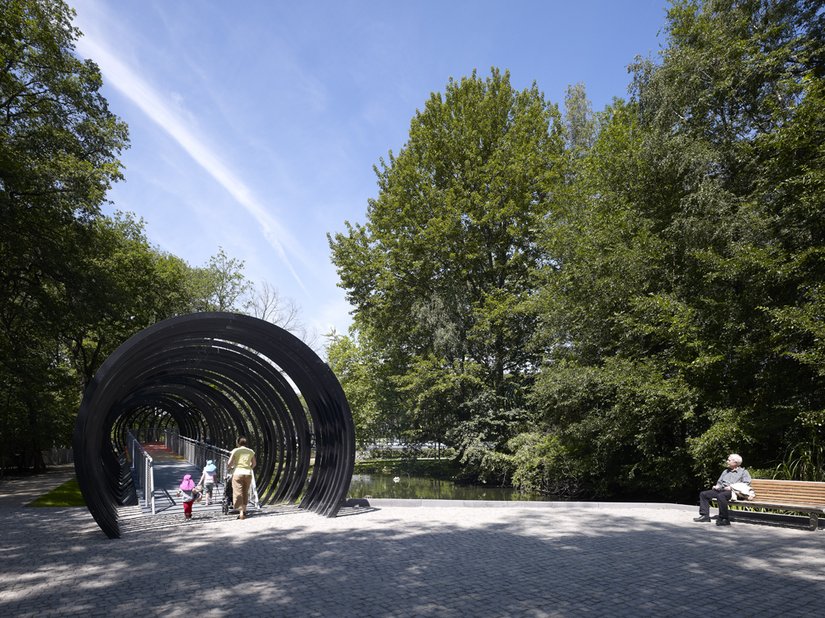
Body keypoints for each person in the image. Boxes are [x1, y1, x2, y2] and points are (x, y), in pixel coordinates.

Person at [694, 453, 752, 526]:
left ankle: (724, 519)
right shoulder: (725, 471)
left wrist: (732, 487)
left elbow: (746, 483)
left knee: (721, 496)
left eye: (729, 460)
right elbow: (720, 482)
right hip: (722, 490)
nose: (727, 461)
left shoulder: (743, 472)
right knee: (704, 494)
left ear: (735, 463)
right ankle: (705, 516)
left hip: (734, 492)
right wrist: (717, 486)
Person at [227, 437, 256, 520]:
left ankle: (241, 512)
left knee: (238, 492)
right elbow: (254, 464)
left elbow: (229, 463)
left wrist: (230, 467)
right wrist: (249, 468)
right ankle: (245, 509)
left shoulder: (235, 451)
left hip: (237, 473)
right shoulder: (251, 451)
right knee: (245, 492)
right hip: (248, 474)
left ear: (238, 443)